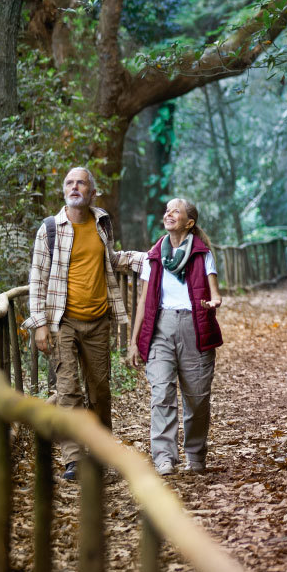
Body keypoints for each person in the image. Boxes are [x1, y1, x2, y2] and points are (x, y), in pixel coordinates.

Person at [25, 166, 129, 481]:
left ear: (91, 191)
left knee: (99, 391)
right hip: (62, 321)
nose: (74, 187)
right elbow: (37, 278)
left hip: (98, 321)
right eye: (69, 182)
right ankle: (73, 460)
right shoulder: (49, 229)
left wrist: (147, 259)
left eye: (81, 182)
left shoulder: (102, 223)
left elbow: (111, 260)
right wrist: (40, 324)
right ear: (64, 191)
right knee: (68, 389)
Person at [121, 198, 224, 475]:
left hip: (194, 324)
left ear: (189, 222)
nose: (168, 214)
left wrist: (214, 302)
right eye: (167, 210)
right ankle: (164, 456)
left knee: (197, 397)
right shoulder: (154, 255)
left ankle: (195, 454)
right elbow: (142, 300)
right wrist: (133, 342)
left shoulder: (202, 255)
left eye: (175, 211)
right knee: (162, 392)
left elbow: (215, 292)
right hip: (160, 327)